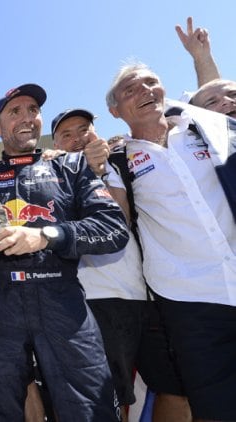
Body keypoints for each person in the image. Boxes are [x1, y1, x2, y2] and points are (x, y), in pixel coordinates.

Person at [0, 83, 130, 421]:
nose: (27, 118)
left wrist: (47, 235)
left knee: (90, 407)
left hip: (61, 297)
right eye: (15, 112)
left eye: (33, 111)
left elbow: (114, 228)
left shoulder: (69, 166)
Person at [106, 62, 236, 421]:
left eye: (152, 82)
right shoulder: (116, 162)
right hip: (189, 303)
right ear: (115, 111)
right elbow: (115, 225)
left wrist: (200, 55)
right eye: (130, 89)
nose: (145, 91)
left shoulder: (208, 130)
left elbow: (223, 95)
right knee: (217, 408)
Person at [51, 108, 147, 421]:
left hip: (131, 295)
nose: (77, 138)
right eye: (67, 134)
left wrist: (99, 169)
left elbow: (121, 219)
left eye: (83, 129)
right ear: (56, 143)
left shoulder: (120, 163)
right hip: (80, 299)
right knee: (91, 399)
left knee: (130, 396)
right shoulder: (52, 173)